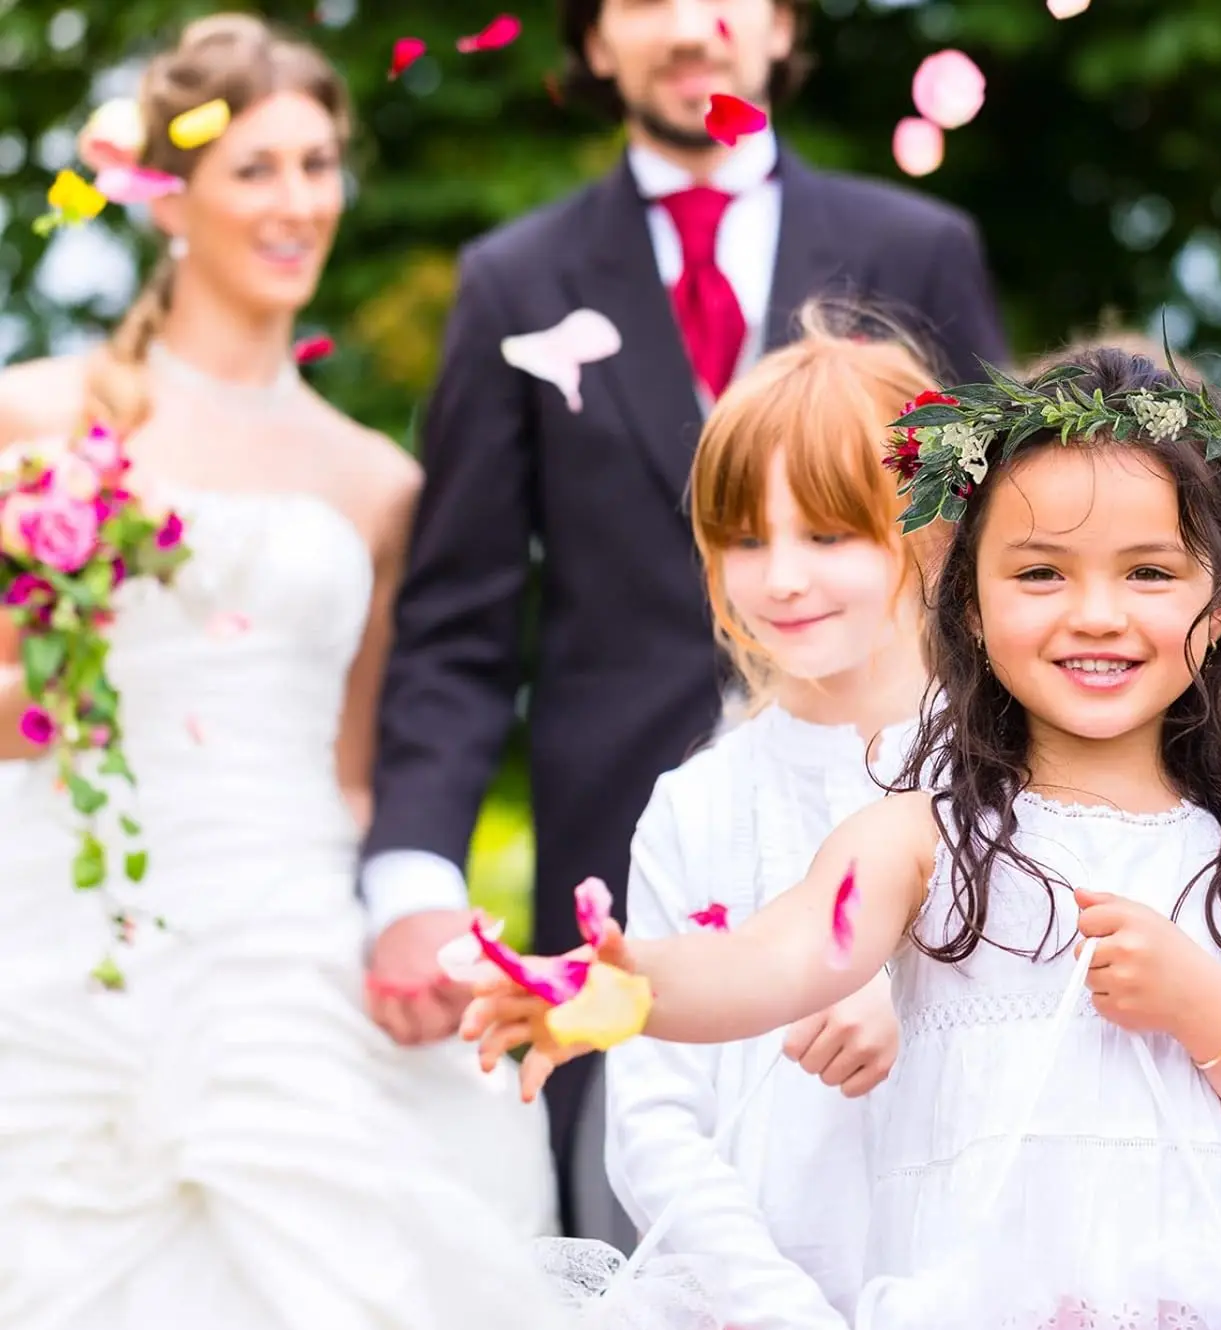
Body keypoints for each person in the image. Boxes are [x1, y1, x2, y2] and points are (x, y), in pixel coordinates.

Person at [464, 345, 1221, 1330]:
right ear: (965, 595)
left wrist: (1211, 1012)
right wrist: (614, 988)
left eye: (1150, 571)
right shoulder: (918, 842)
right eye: (1041, 573)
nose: (1096, 614)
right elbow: (773, 961)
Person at [0, 15, 607, 1330]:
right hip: (66, 896)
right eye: (256, 166)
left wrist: (408, 917)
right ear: (169, 194)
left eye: (320, 163)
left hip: (288, 924)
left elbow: (357, 768)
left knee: (359, 1267)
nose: (297, 201)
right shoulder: (38, 417)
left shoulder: (377, 478)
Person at [361, 0, 1008, 1241]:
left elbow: (991, 557)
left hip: (909, 839)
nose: (685, 26)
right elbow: (458, 617)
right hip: (626, 840)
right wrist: (412, 875)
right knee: (637, 1213)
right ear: (594, 42)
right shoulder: (516, 279)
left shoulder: (917, 250)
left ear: (780, 26)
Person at [600, 304, 948, 1330]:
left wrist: (909, 984)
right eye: (747, 539)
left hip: (976, 1329)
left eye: (831, 535)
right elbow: (651, 1120)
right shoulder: (696, 806)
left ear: (927, 531)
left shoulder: (1005, 775)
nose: (783, 578)